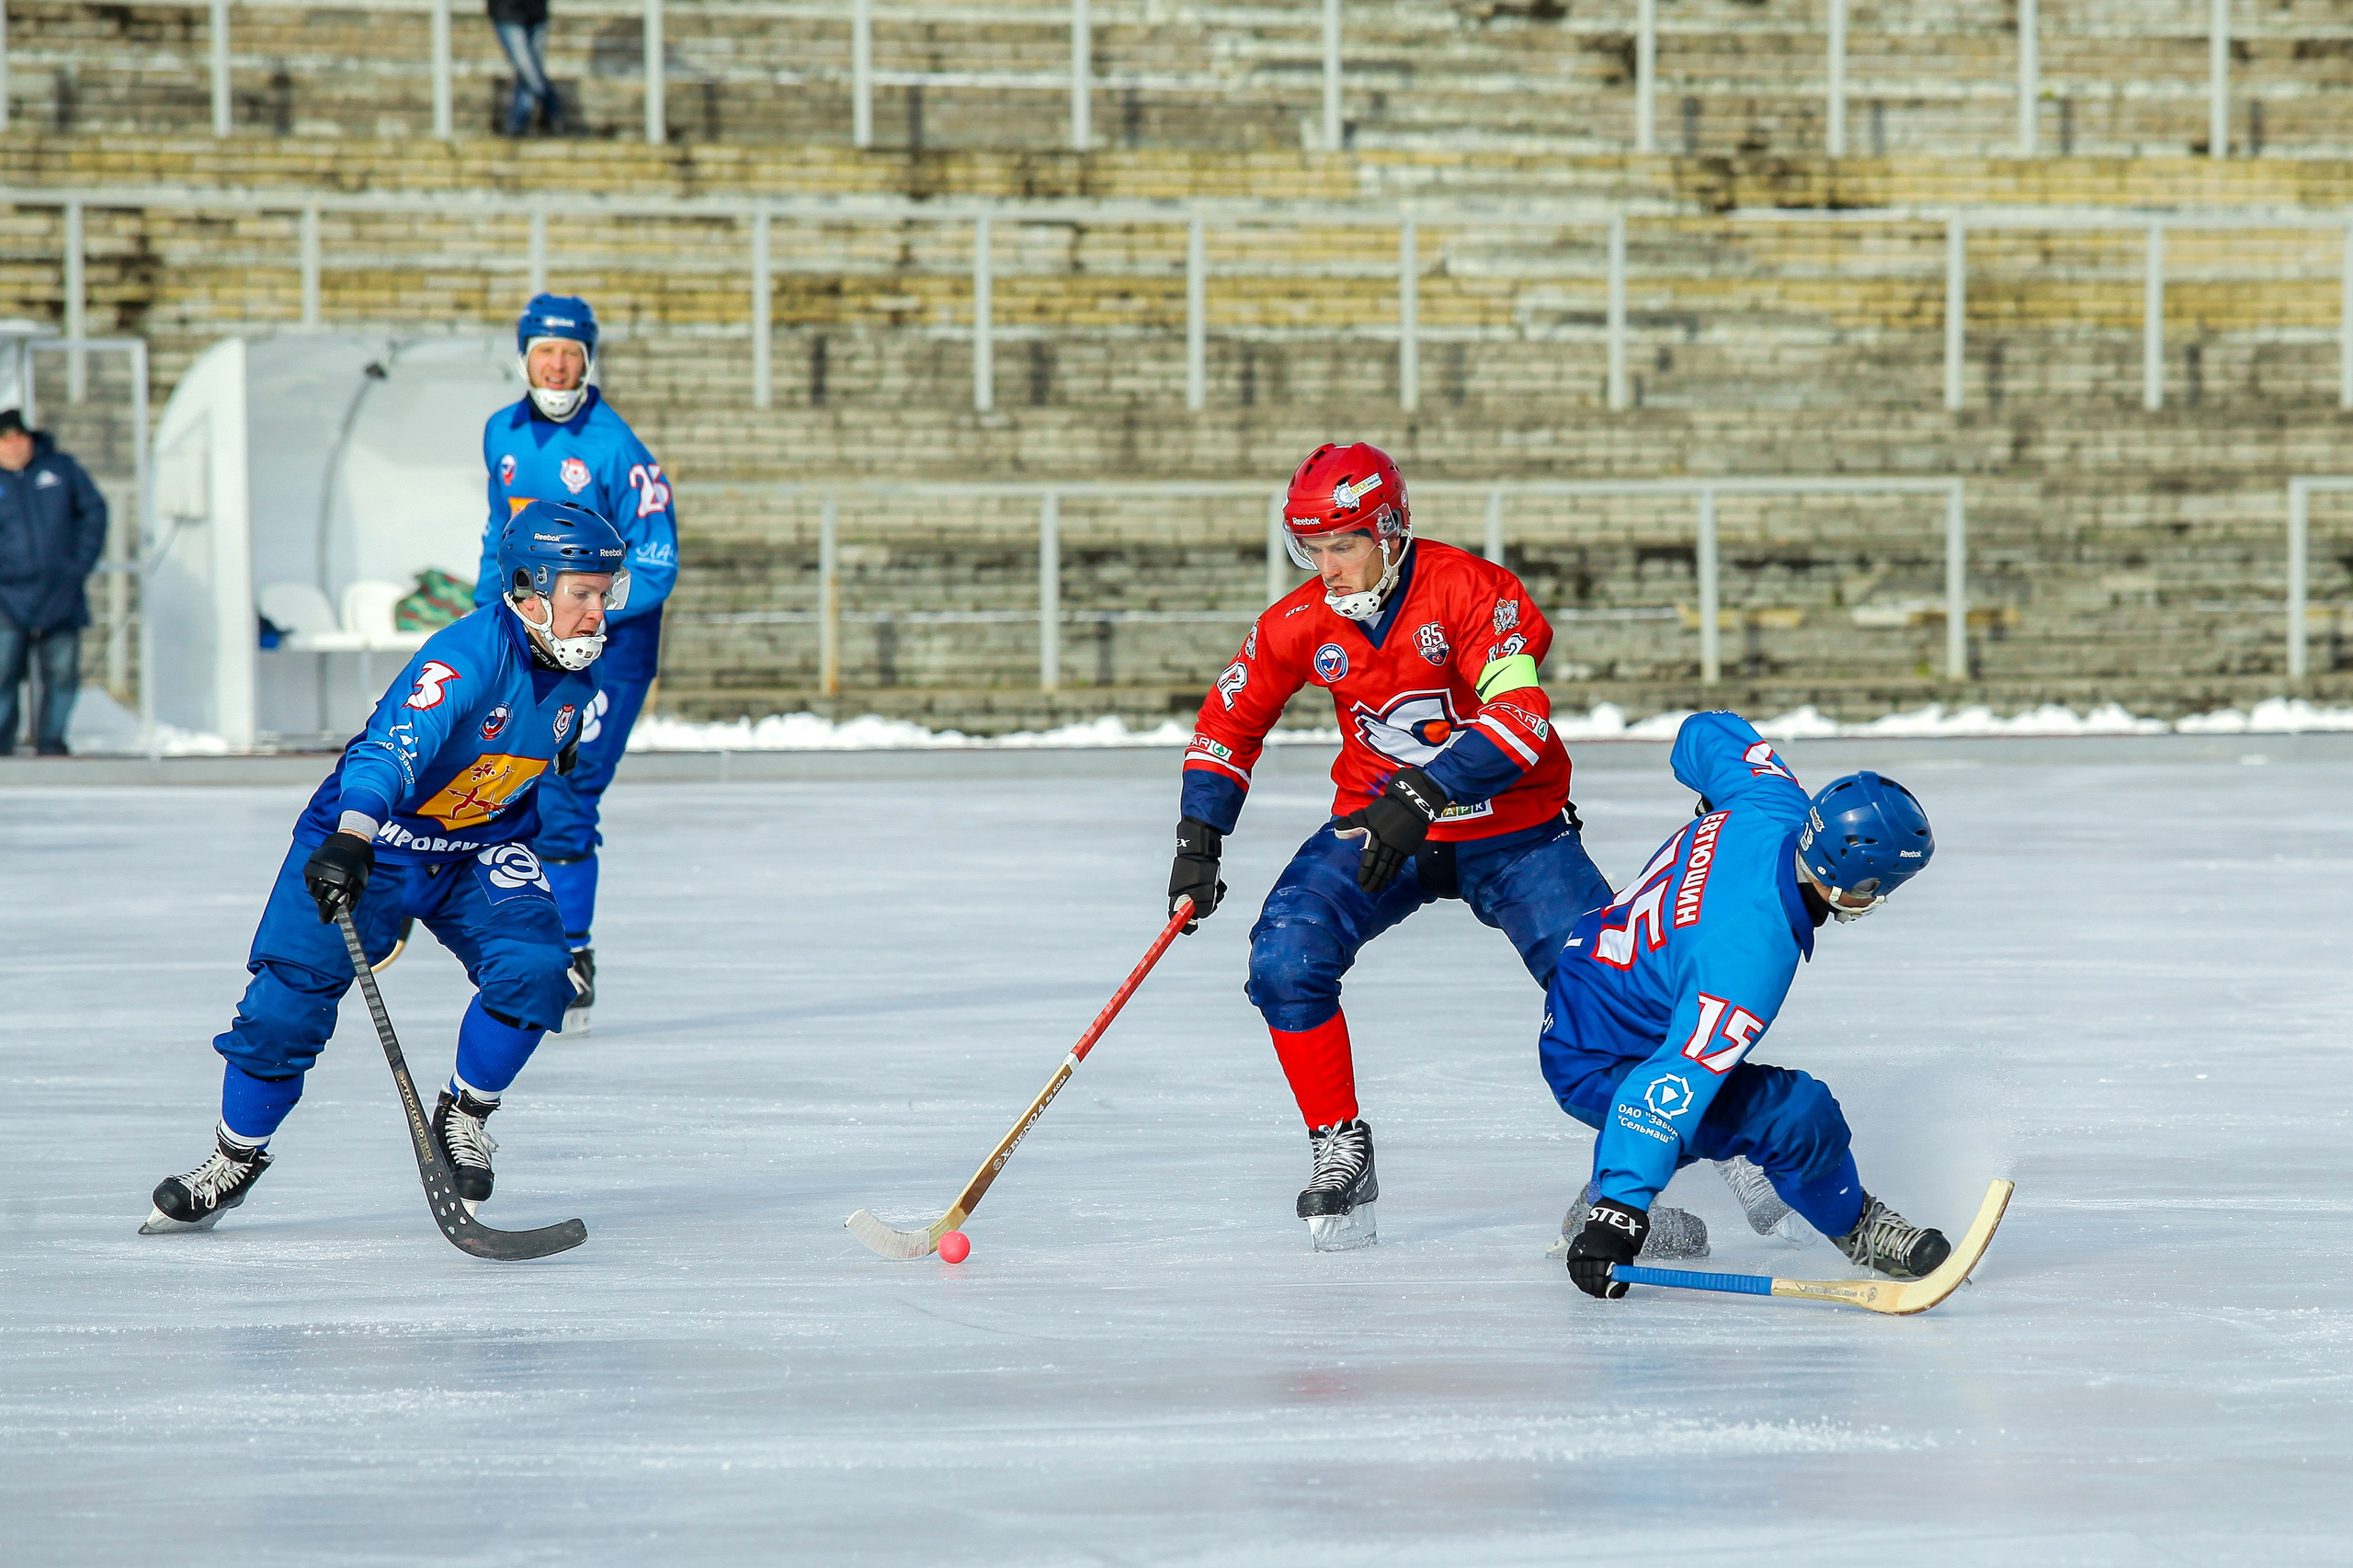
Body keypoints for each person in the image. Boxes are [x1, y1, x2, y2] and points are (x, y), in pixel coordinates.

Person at [1168, 440, 1702, 1256]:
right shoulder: (1301, 621)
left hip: (1512, 828)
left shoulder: (1472, 590)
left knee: (1611, 985)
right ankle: (1340, 1144)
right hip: (1380, 829)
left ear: (1391, 530)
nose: (1329, 568)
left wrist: (1423, 791)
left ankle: (1675, 1150)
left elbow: (1518, 716)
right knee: (1285, 956)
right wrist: (1200, 836)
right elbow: (1229, 724)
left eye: (1343, 545)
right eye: (1312, 549)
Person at [141, 503, 628, 1235]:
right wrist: (352, 838)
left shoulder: (577, 670)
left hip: (476, 849)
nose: (597, 612)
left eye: (605, 593)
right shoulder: (462, 658)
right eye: (581, 594)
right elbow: (385, 751)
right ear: (530, 590)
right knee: (283, 1005)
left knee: (537, 970)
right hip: (369, 842)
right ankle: (235, 1155)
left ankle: (465, 1110)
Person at [1545, 710, 1954, 1300]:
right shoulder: (1747, 962)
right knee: (1795, 1116)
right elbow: (1663, 1090)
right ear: (1850, 884)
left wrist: (1718, 805)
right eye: (1878, 888)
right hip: (1597, 1059)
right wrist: (1618, 1216)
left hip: (1598, 982)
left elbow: (1706, 730)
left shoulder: (1772, 802)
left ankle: (1610, 1186)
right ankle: (1860, 1229)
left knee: (1719, 1093)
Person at [472, 294, 678, 1032]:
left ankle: (573, 955)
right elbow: (503, 535)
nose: (557, 365)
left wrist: (591, 617)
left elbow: (657, 559)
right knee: (504, 780)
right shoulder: (501, 432)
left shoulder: (617, 446)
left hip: (608, 649)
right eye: (545, 352)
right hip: (532, 636)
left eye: (571, 353)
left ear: (588, 362)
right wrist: (486, 618)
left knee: (567, 793)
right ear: (524, 355)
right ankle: (517, 940)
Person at [0, 407, 108, 756]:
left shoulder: (60, 470)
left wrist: (78, 564)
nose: (14, 447)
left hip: (61, 592)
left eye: (19, 439)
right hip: (8, 597)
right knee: (4, 674)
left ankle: (51, 741)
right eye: (5, 441)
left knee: (61, 674)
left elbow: (93, 512)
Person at [489, 0, 565, 137]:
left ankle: (519, 123)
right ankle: (553, 108)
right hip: (507, 13)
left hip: (536, 14)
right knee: (528, 71)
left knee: (527, 73)